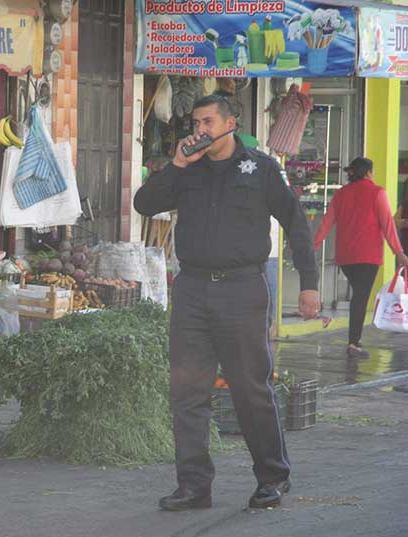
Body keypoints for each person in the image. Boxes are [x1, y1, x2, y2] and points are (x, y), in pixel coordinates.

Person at [134, 94, 319, 512]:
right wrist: (177, 167)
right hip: (193, 290)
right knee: (187, 391)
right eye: (196, 122)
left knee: (250, 388)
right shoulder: (187, 169)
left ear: (231, 123)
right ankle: (194, 486)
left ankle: (273, 478)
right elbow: (144, 204)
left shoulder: (260, 169)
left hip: (242, 290)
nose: (199, 129)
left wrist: (308, 283)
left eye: (208, 121)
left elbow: (296, 222)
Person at [314, 157, 408, 359]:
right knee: (360, 298)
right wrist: (398, 252)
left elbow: (326, 223)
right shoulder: (377, 192)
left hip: (346, 257)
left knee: (359, 295)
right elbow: (387, 225)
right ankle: (353, 343)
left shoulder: (341, 194)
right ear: (367, 173)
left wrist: (312, 245)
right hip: (368, 256)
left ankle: (354, 340)